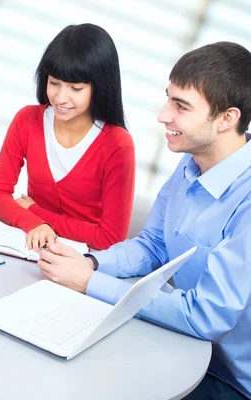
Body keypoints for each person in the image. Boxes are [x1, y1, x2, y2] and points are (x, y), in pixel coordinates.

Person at [37, 42, 251, 399]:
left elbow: (207, 317)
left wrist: (90, 283)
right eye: (168, 98)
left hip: (228, 379)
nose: (163, 115)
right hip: (177, 344)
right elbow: (153, 245)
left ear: (226, 119)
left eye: (180, 106)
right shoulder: (194, 159)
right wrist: (91, 263)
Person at [0, 23, 135, 251]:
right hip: (29, 248)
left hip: (83, 261)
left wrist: (36, 213)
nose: (60, 97)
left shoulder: (117, 144)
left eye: (75, 88)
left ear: (101, 87)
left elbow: (110, 239)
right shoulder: (27, 120)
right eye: (54, 83)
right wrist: (33, 223)